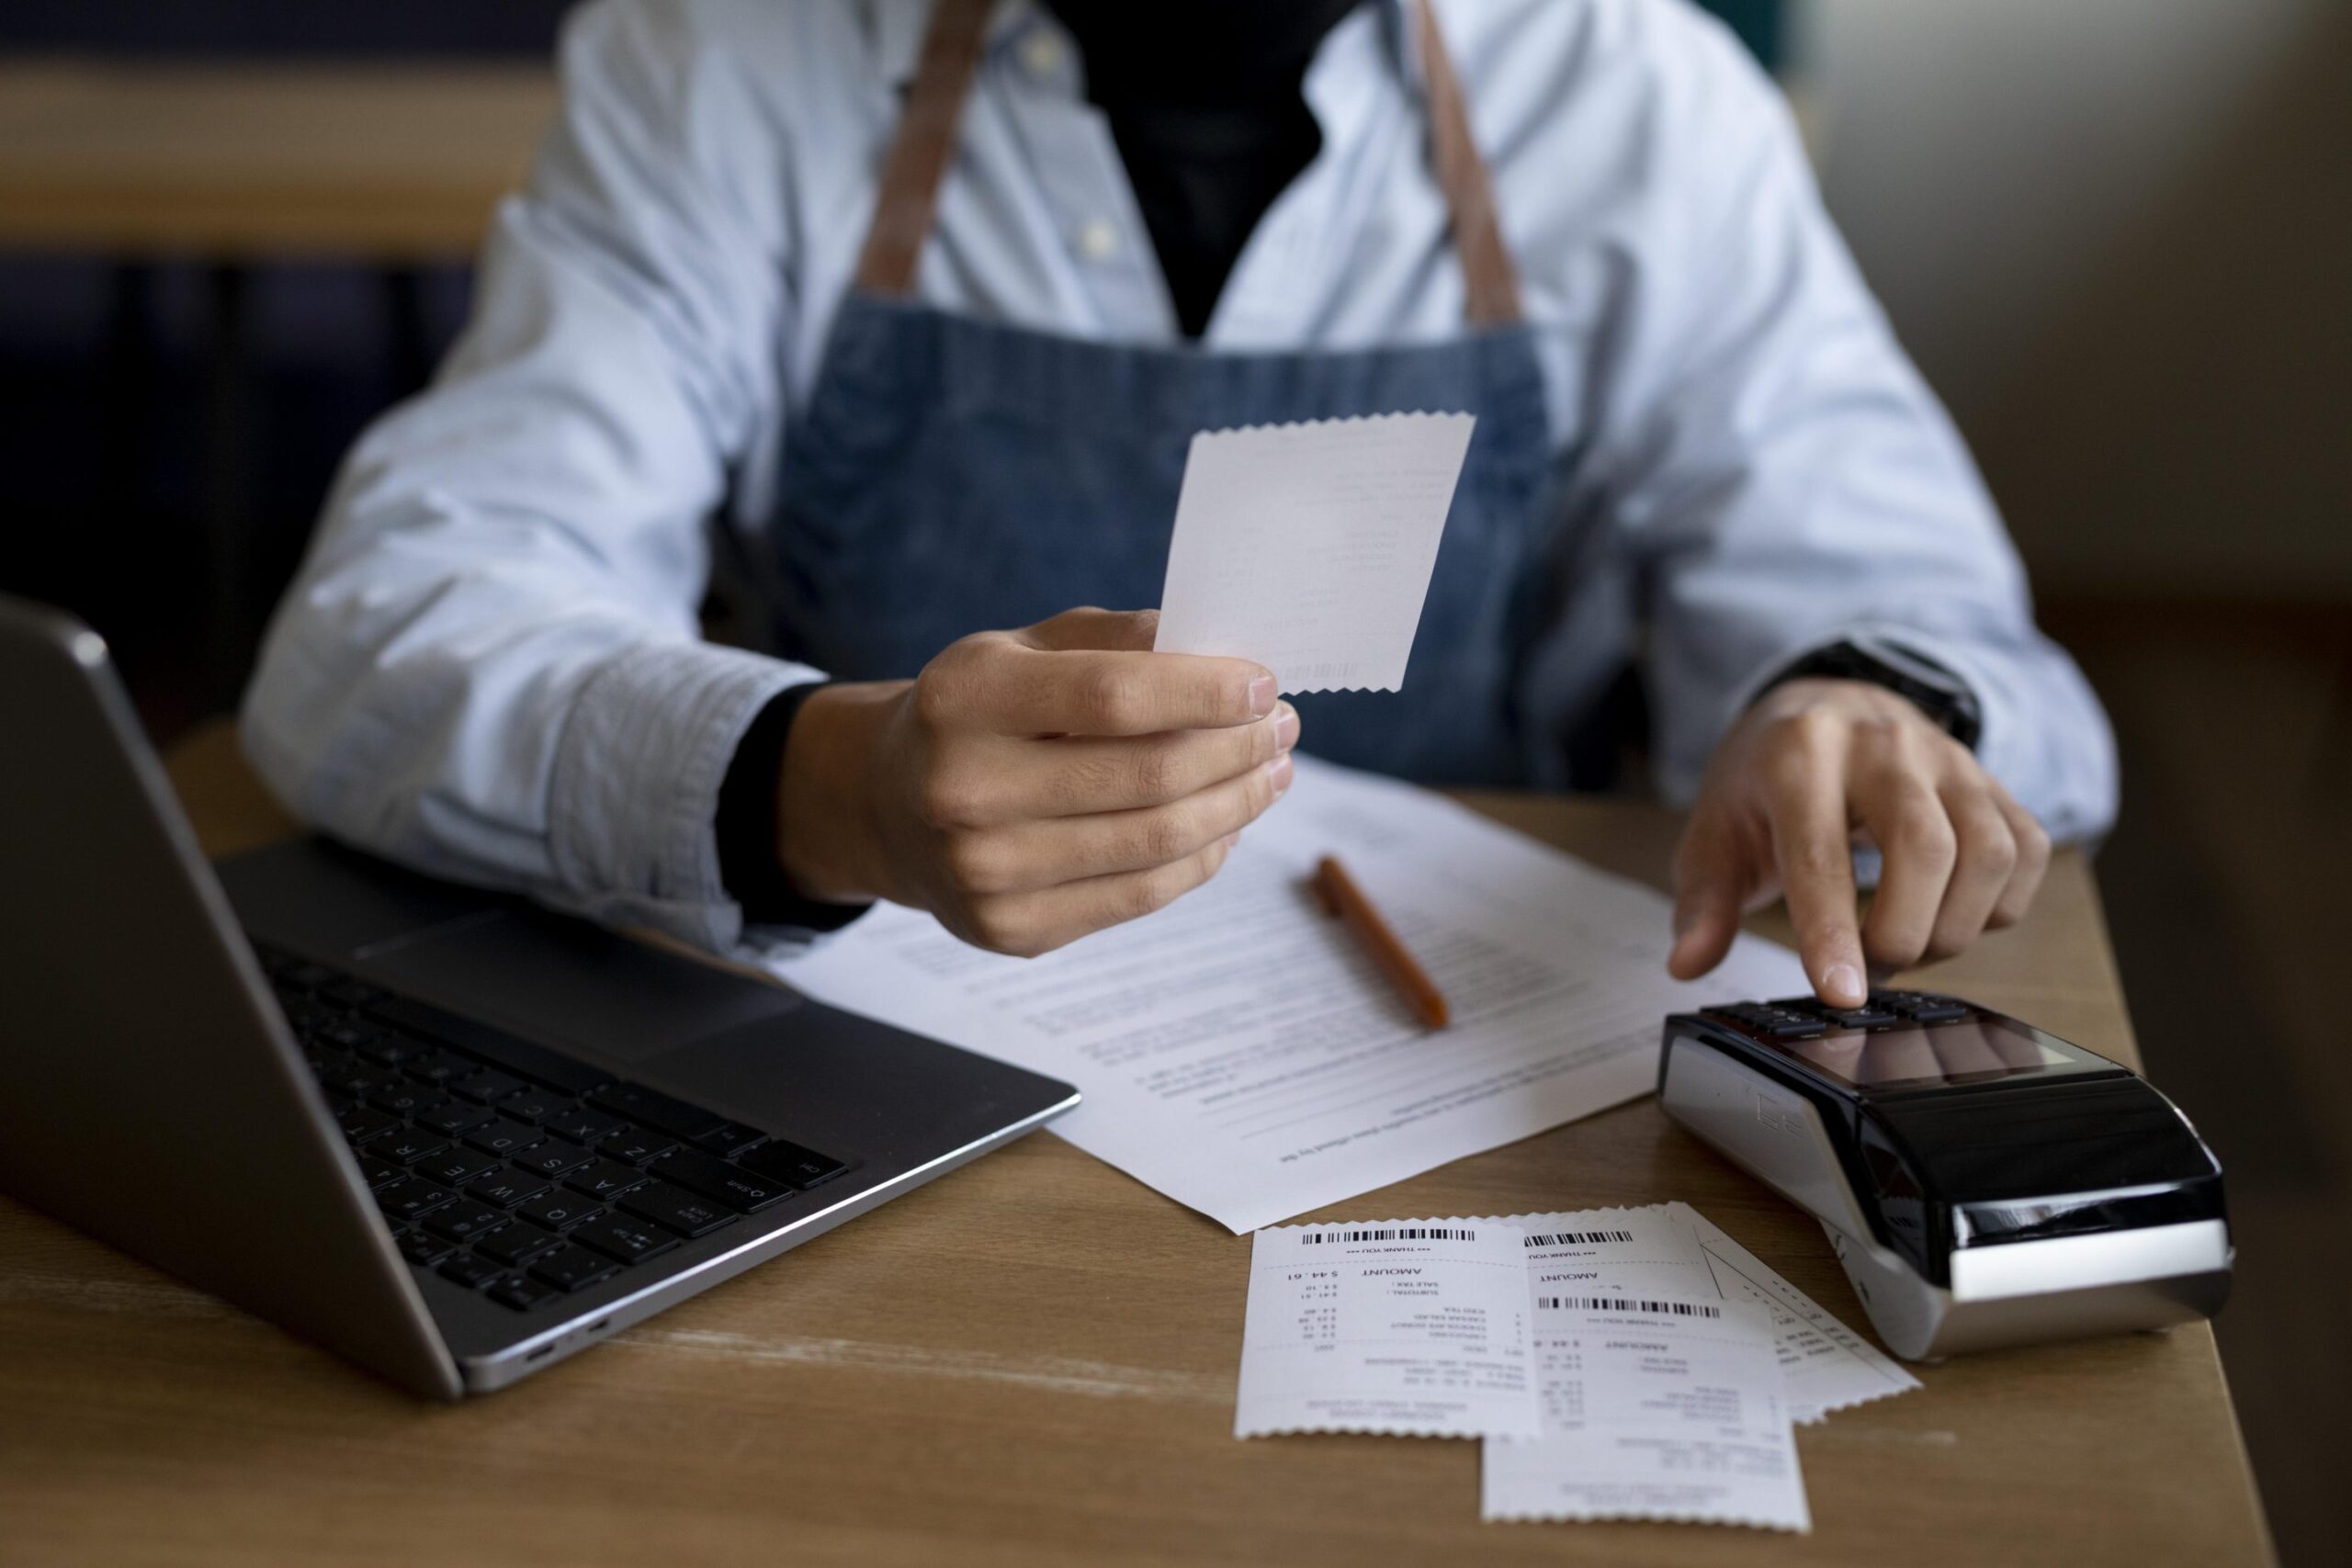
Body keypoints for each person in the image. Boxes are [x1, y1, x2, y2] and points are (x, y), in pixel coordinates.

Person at [243, 0, 2115, 1010]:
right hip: (848, 1086)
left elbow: (1940, 622)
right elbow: (372, 636)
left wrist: (1868, 703)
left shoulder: (1635, 97)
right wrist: (821, 783)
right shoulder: (722, 61)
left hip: (1455, 1088)